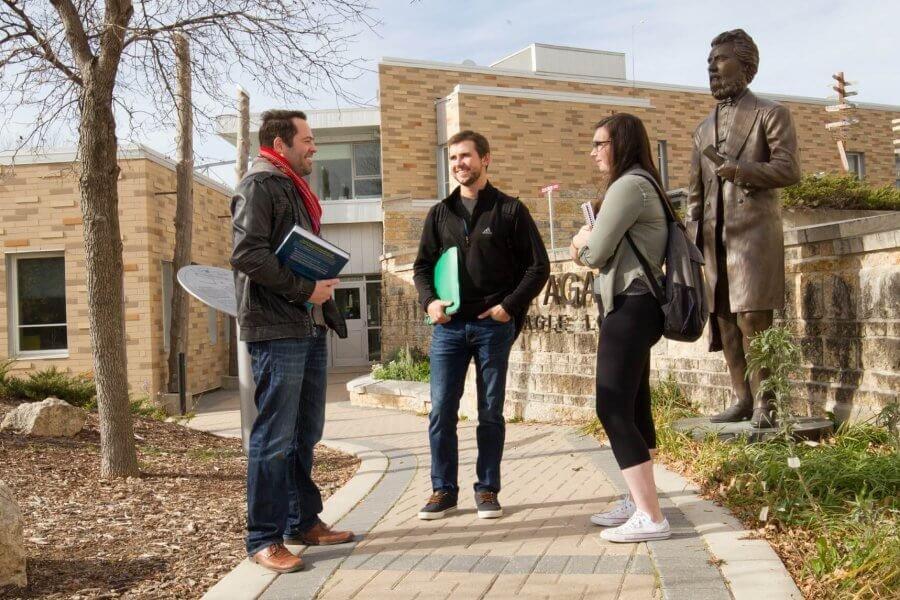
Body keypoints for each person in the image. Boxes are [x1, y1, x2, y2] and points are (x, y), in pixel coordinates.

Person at [231, 109, 354, 573]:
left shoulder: (290, 186)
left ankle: (303, 521)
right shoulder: (260, 185)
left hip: (307, 325)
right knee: (274, 438)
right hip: (277, 327)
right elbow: (247, 254)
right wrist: (306, 289)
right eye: (307, 139)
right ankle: (263, 538)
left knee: (306, 433)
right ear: (280, 143)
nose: (313, 147)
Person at [413, 130, 550, 520]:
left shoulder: (509, 210)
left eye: (466, 156)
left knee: (490, 412)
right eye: (453, 158)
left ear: (485, 159)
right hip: (449, 329)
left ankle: (487, 489)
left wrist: (509, 306)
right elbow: (422, 267)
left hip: (493, 326)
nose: (459, 164)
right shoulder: (440, 213)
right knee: (441, 410)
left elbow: (538, 266)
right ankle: (443, 490)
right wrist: (429, 301)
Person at [686, 29, 801, 427]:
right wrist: (690, 242)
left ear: (746, 65)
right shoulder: (702, 130)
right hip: (714, 239)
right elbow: (695, 196)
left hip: (753, 235)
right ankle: (742, 398)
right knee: (724, 320)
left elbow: (789, 169)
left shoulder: (771, 113)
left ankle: (767, 403)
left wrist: (741, 170)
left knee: (753, 318)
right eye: (710, 60)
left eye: (720, 59)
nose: (711, 66)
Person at [570, 113, 671, 542]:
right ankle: (638, 501)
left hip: (629, 304)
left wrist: (579, 241)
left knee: (610, 407)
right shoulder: (645, 182)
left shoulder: (628, 186)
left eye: (599, 143)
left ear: (621, 143)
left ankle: (651, 517)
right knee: (632, 406)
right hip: (639, 305)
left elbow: (593, 254)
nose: (593, 152)